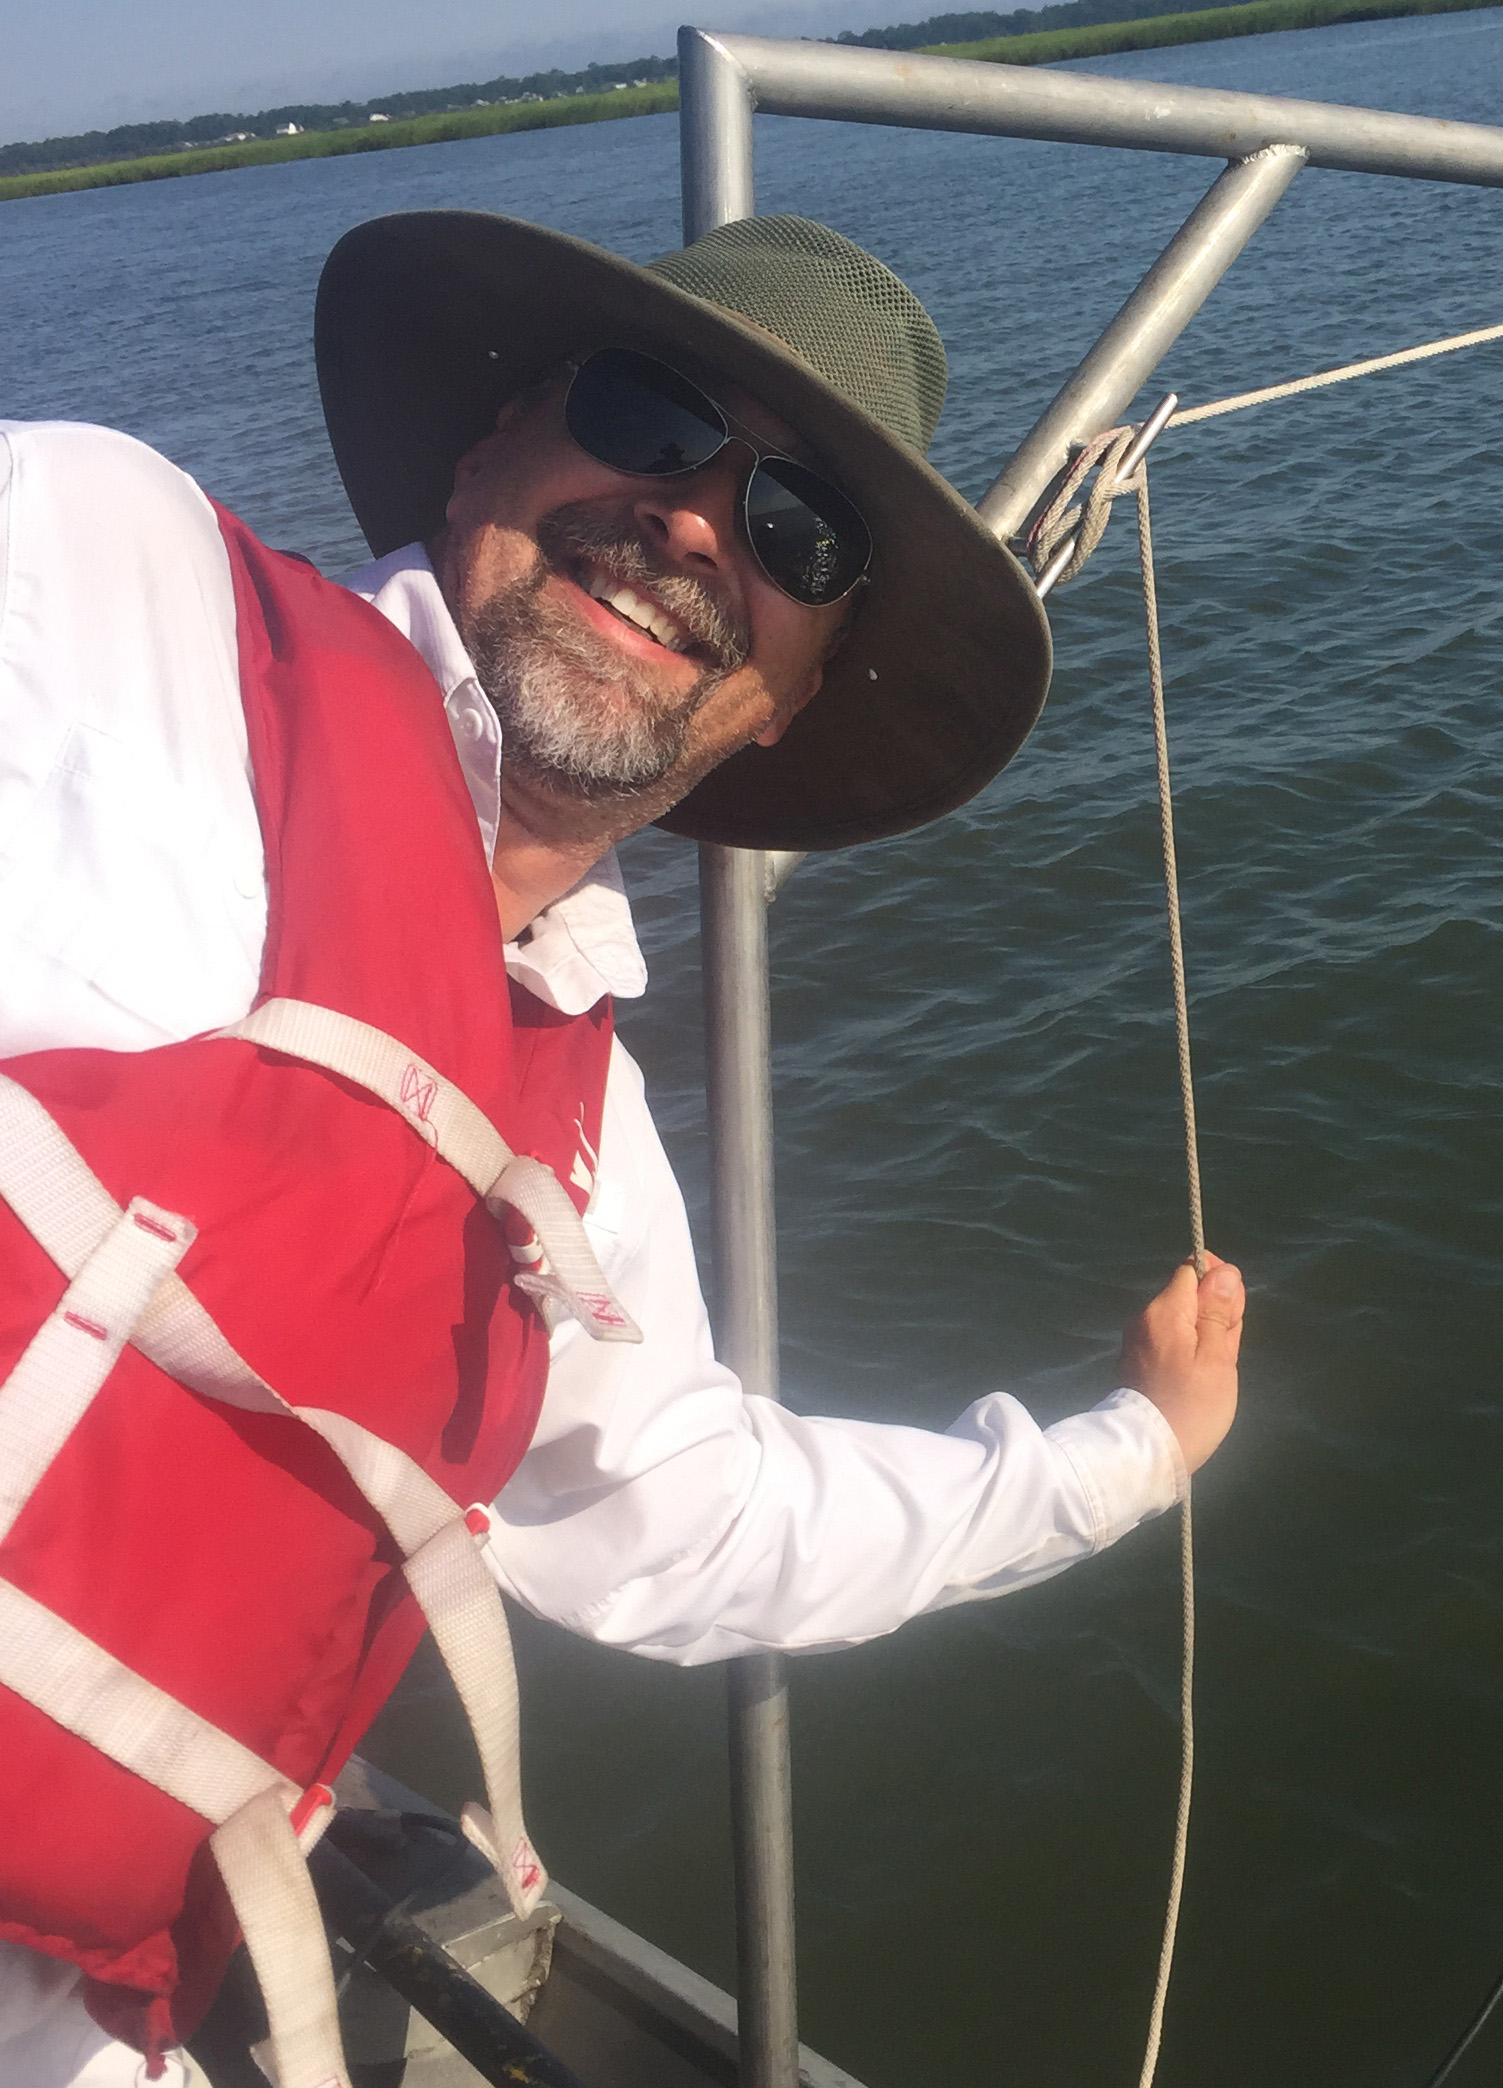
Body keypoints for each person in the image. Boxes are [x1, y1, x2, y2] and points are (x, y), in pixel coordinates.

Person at [0, 209, 1245, 2086]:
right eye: (653, 417)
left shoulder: (568, 1142)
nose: (692, 524)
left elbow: (699, 1524)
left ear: (796, 685)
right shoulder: (107, 585)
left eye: (794, 533)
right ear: (489, 441)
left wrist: (1134, 1453)